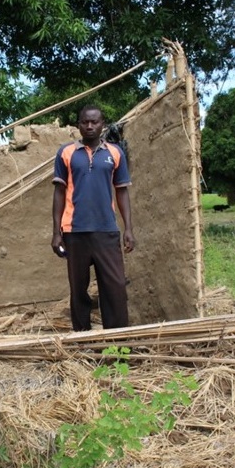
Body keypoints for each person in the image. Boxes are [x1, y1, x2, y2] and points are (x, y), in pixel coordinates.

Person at [52, 105, 135, 331]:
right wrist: (56, 232)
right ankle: (82, 338)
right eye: (85, 122)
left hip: (106, 230)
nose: (89, 126)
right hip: (74, 231)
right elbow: (59, 192)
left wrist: (128, 228)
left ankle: (117, 341)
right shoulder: (66, 153)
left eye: (95, 122)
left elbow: (122, 190)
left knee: (115, 286)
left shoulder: (115, 153)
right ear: (78, 125)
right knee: (78, 289)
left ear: (102, 125)